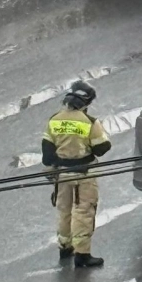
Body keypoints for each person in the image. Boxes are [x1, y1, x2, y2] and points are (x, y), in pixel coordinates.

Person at [42, 80, 111, 268]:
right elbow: (102, 148)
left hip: (62, 174)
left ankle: (65, 247)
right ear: (87, 102)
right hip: (84, 174)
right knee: (83, 211)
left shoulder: (54, 119)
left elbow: (47, 151)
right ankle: (82, 254)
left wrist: (52, 168)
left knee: (64, 210)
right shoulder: (89, 121)